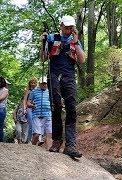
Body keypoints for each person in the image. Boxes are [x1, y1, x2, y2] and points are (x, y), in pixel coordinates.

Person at [41, 15, 85, 158]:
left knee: (71, 108)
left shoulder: (75, 40)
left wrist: (76, 41)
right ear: (61, 25)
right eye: (66, 27)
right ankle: (56, 141)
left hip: (69, 77)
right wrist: (43, 43)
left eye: (70, 27)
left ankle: (71, 145)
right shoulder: (52, 38)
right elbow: (43, 58)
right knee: (56, 106)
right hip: (53, 75)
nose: (68, 29)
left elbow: (82, 60)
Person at [27, 77, 52, 150]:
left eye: (45, 83)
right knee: (37, 134)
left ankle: (49, 151)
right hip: (36, 115)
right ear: (39, 84)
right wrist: (32, 105)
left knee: (49, 134)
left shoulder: (50, 92)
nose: (44, 85)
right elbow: (28, 103)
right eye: (42, 83)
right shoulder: (33, 92)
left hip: (48, 115)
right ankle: (32, 148)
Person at [23, 77, 38, 143]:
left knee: (36, 124)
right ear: (29, 83)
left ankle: (34, 140)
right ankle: (28, 140)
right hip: (29, 108)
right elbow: (24, 100)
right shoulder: (27, 91)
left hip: (35, 108)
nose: (33, 84)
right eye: (31, 83)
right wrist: (24, 108)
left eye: (34, 83)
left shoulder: (38, 91)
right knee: (31, 123)